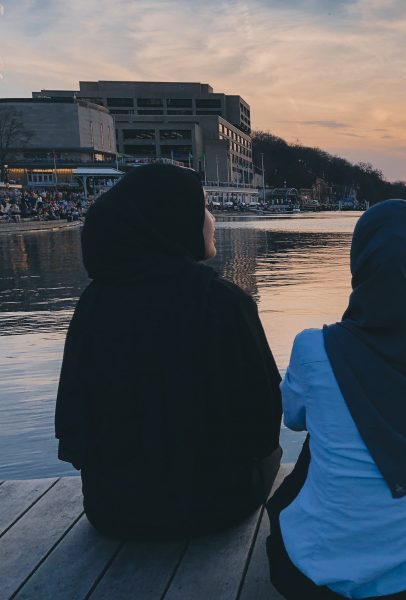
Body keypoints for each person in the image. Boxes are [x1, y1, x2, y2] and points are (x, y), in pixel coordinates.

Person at [267, 200, 406, 599]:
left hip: (315, 575)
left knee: (322, 438)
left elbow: (295, 419)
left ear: (360, 264)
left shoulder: (314, 348)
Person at [55, 163, 282, 540]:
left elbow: (73, 415)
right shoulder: (221, 301)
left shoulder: (95, 301)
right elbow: (264, 413)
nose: (213, 220)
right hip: (214, 506)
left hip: (113, 509)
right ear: (174, 220)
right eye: (205, 207)